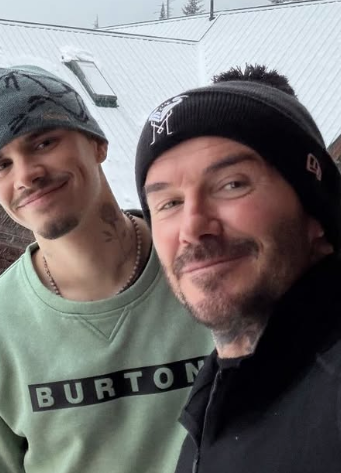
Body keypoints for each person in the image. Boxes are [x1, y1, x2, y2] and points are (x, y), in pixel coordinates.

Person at [0, 64, 212, 473]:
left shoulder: (204, 267)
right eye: (1, 165)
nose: (26, 175)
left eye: (43, 142)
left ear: (97, 143)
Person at [135, 65, 341, 472]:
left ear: (315, 212)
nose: (193, 228)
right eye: (169, 203)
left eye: (232, 184)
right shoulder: (221, 393)